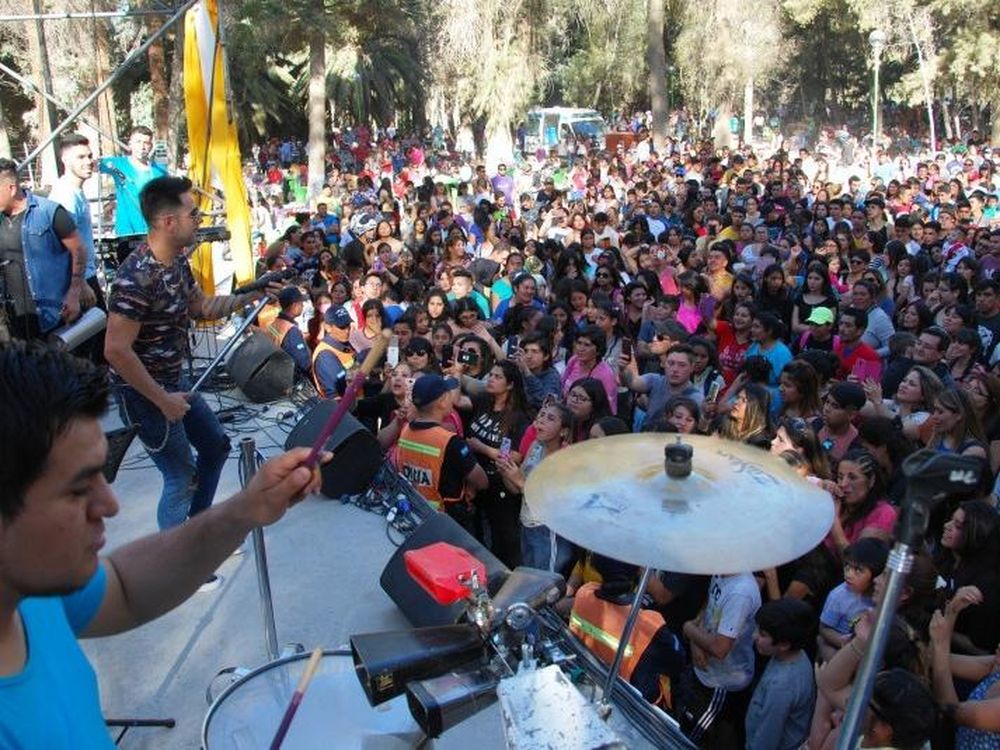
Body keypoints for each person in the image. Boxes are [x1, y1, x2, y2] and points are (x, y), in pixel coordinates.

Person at [0, 340, 326, 746]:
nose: (110, 504)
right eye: (76, 490)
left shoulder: (29, 589)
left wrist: (244, 509)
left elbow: (124, 587)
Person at [104, 176, 277, 537]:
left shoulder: (178, 263)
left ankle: (198, 536)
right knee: (180, 476)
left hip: (175, 383)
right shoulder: (135, 278)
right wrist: (162, 400)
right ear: (169, 222)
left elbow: (201, 306)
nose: (199, 220)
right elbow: (116, 351)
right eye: (193, 214)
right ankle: (172, 563)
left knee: (215, 448)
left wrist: (248, 296)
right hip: (145, 394)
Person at [0, 158, 88, 341]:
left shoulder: (48, 211)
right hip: (18, 320)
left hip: (56, 316)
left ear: (11, 188)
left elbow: (78, 250)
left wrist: (74, 293)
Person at [679, 570, 762, 747]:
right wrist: (695, 643)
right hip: (706, 673)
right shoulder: (722, 570)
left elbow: (720, 648)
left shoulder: (740, 593)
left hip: (721, 685)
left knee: (692, 740)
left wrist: (688, 629)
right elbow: (709, 604)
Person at [395, 374, 487, 520]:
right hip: (445, 520)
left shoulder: (406, 430)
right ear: (442, 401)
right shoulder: (450, 441)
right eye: (449, 393)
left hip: (414, 512)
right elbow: (481, 481)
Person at [744, 598, 818, 750]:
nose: (754, 636)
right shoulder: (798, 655)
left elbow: (767, 739)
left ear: (784, 644)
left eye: (763, 634)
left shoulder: (781, 687)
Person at [49, 134, 103, 311]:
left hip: (86, 277)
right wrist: (80, 285)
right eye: (80, 157)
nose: (88, 161)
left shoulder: (75, 191)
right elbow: (65, 246)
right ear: (65, 160)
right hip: (81, 281)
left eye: (89, 156)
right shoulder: (66, 196)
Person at [817, 538, 888, 663]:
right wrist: (842, 641)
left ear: (876, 575)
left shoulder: (880, 597)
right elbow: (824, 629)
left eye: (858, 570)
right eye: (847, 566)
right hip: (838, 653)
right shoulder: (838, 596)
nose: (849, 574)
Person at [99, 125, 168, 236]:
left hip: (155, 233)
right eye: (138, 142)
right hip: (126, 233)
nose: (142, 146)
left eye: (146, 143)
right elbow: (90, 165)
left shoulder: (159, 171)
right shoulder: (118, 164)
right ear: (130, 144)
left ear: (151, 146)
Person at [311, 305, 356, 399]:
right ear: (328, 327)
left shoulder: (344, 343)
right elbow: (338, 391)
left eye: (348, 325)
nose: (347, 331)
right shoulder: (325, 356)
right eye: (342, 327)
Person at [264, 286, 311, 375]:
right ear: (294, 306)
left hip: (278, 371)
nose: (303, 305)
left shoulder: (273, 324)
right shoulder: (291, 330)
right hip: (292, 376)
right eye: (301, 303)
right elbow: (304, 363)